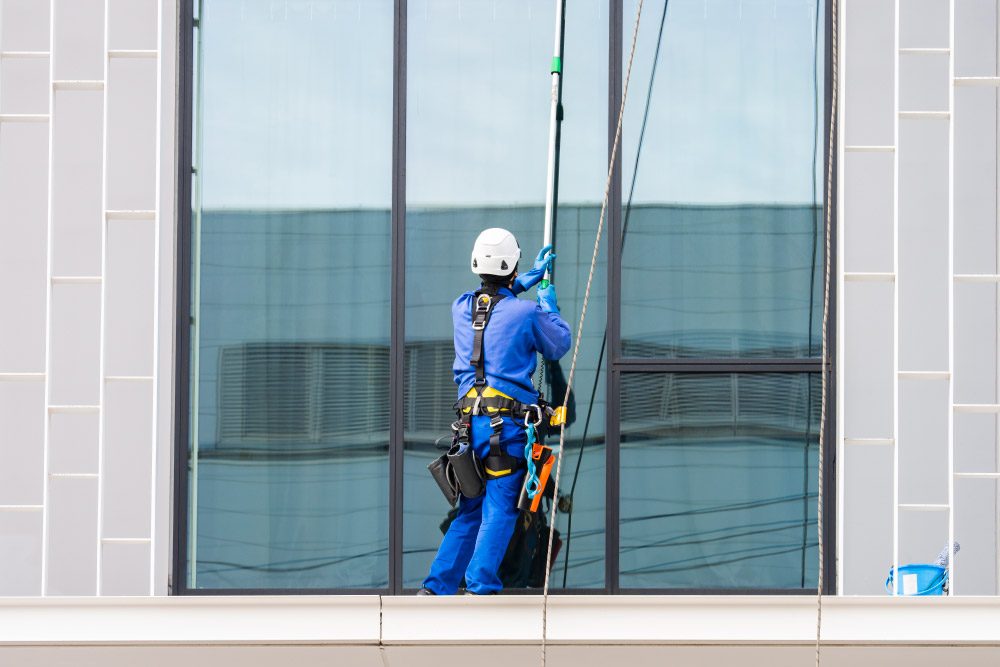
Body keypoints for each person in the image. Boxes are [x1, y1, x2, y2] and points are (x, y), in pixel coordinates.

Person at [419, 228, 571, 596]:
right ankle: (480, 586)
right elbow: (558, 343)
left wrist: (521, 283)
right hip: (507, 430)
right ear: (513, 264)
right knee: (501, 507)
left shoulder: (460, 307)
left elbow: (490, 312)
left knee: (470, 509)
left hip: (470, 428)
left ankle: (435, 588)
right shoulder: (527, 312)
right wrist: (546, 300)